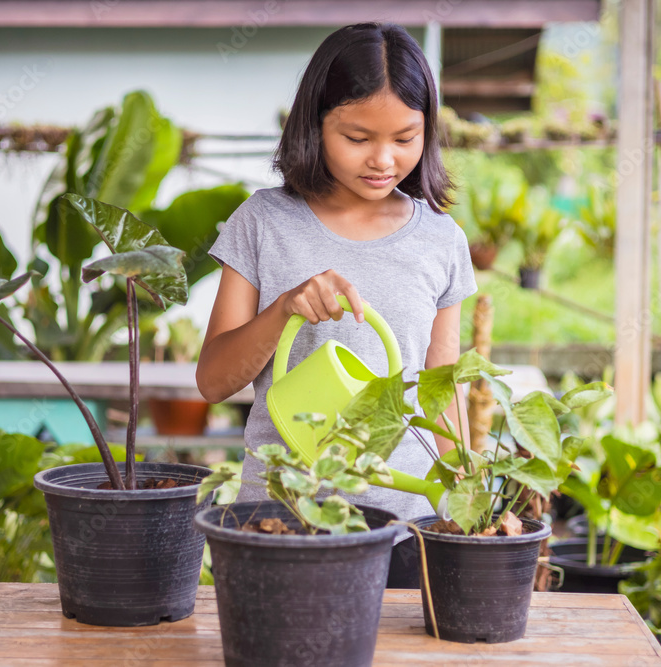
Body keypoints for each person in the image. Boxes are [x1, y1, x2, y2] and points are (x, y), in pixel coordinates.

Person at [196, 22, 477, 586]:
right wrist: (285, 309)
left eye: (405, 138)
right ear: (314, 124)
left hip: (405, 527)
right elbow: (212, 381)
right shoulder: (264, 222)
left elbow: (443, 391)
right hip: (278, 519)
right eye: (357, 137)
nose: (382, 159)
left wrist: (470, 502)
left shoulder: (440, 240)